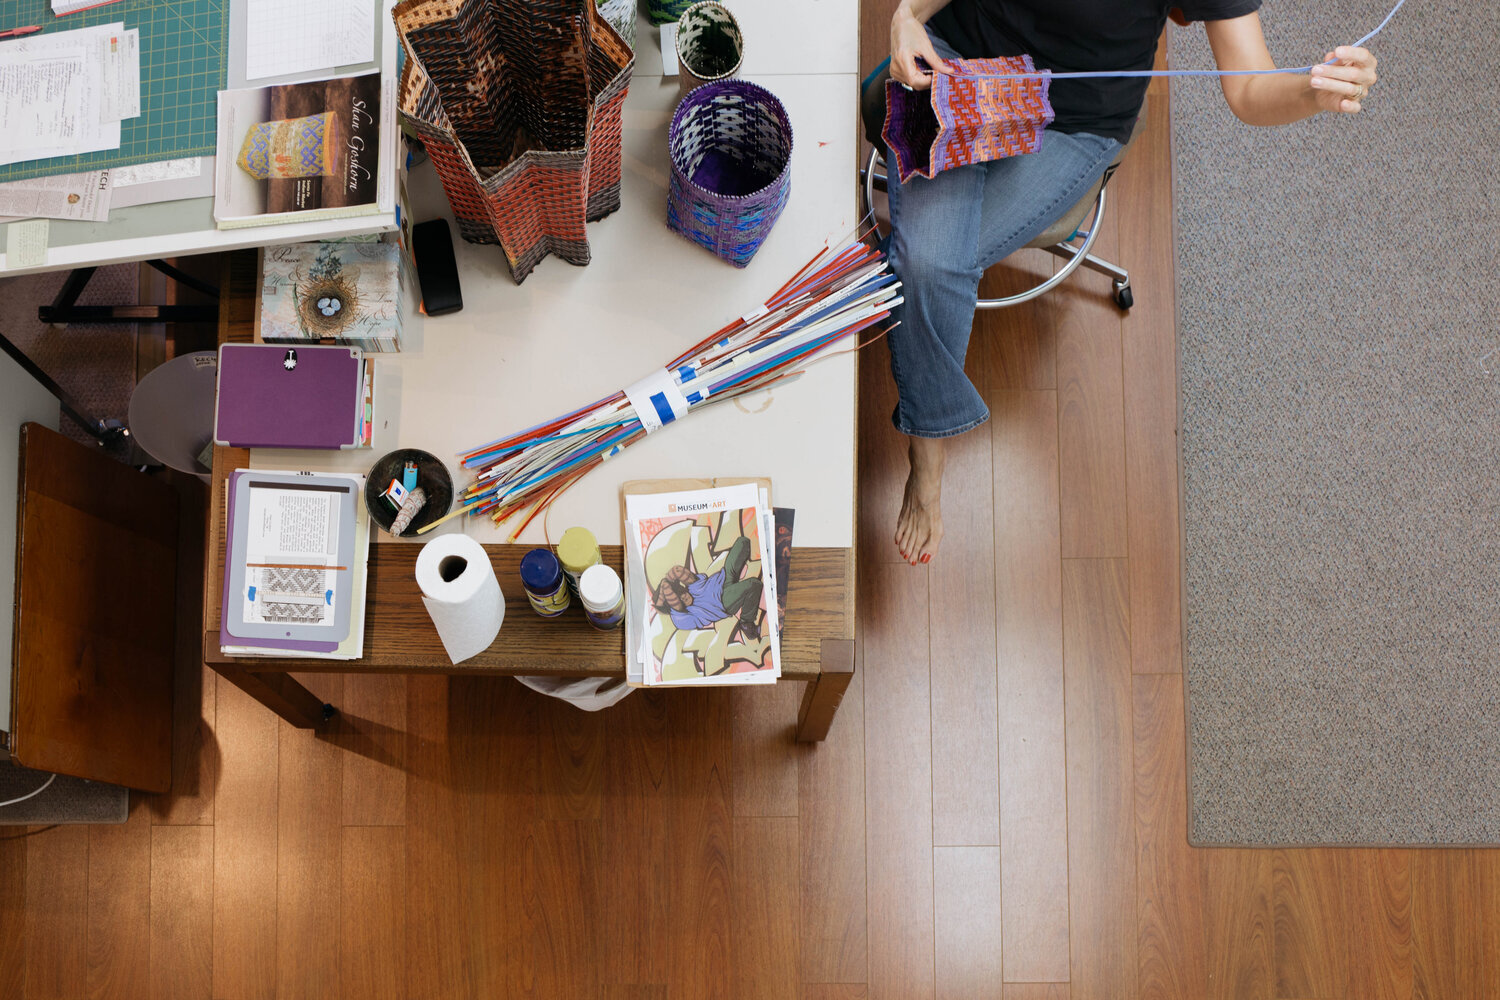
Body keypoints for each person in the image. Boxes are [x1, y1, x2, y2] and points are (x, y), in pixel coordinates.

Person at [884, 0, 1378, 564]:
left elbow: (1249, 87)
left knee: (926, 266)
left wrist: (1313, 91)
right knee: (925, 265)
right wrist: (907, 15)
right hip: (959, 58)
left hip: (1071, 119)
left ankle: (924, 461)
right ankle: (926, 424)